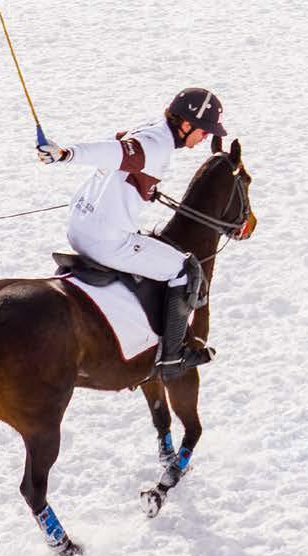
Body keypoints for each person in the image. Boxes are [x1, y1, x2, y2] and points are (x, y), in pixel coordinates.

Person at [36, 88, 228, 378]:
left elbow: (118, 152)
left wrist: (145, 188)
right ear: (186, 124)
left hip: (78, 227)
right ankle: (173, 357)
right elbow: (114, 152)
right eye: (204, 131)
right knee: (185, 269)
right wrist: (66, 154)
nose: (204, 138)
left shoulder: (151, 128)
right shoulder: (157, 146)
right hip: (105, 241)